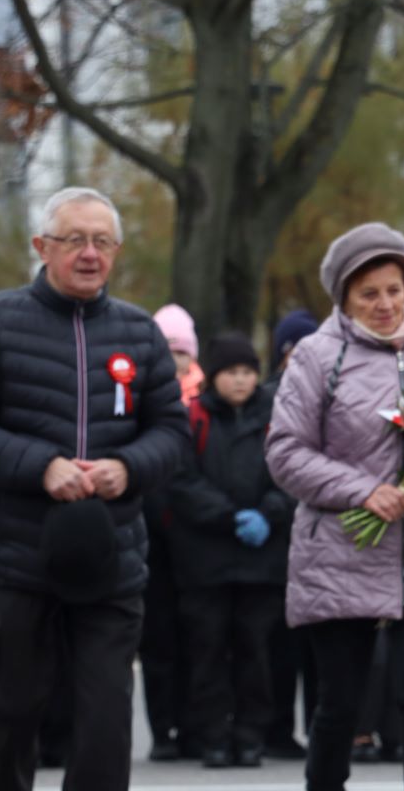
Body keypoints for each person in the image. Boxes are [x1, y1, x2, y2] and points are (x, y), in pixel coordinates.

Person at [0, 186, 188, 791]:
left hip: (112, 555)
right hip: (18, 553)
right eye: (75, 239)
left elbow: (172, 431)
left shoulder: (139, 332)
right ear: (41, 246)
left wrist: (128, 467)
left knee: (104, 714)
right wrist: (40, 465)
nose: (90, 254)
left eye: (102, 242)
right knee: (14, 706)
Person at [266, 222, 404, 791]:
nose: (384, 304)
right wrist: (361, 490)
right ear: (344, 298)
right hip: (343, 550)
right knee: (342, 706)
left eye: (394, 290)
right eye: (368, 293)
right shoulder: (316, 355)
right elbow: (283, 451)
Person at [168, 332, 292, 769]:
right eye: (231, 372)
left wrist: (269, 513)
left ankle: (250, 735)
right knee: (207, 651)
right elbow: (180, 480)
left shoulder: (275, 417)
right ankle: (213, 736)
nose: (240, 381)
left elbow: (291, 474)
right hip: (206, 559)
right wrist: (226, 516)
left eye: (247, 372)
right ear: (214, 376)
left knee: (255, 651)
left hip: (262, 560)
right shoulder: (193, 418)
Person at [137, 303, 202, 761]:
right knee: (157, 637)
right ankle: (163, 729)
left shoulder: (207, 401)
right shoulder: (138, 395)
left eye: (181, 352)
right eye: (167, 351)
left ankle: (196, 725)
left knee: (198, 637)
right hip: (148, 531)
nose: (175, 360)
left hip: (197, 533)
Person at [264, 308, 319, 760]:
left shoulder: (331, 396)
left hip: (321, 535)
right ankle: (277, 727)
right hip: (270, 546)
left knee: (322, 648)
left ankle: (322, 727)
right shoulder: (267, 400)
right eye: (293, 350)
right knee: (278, 648)